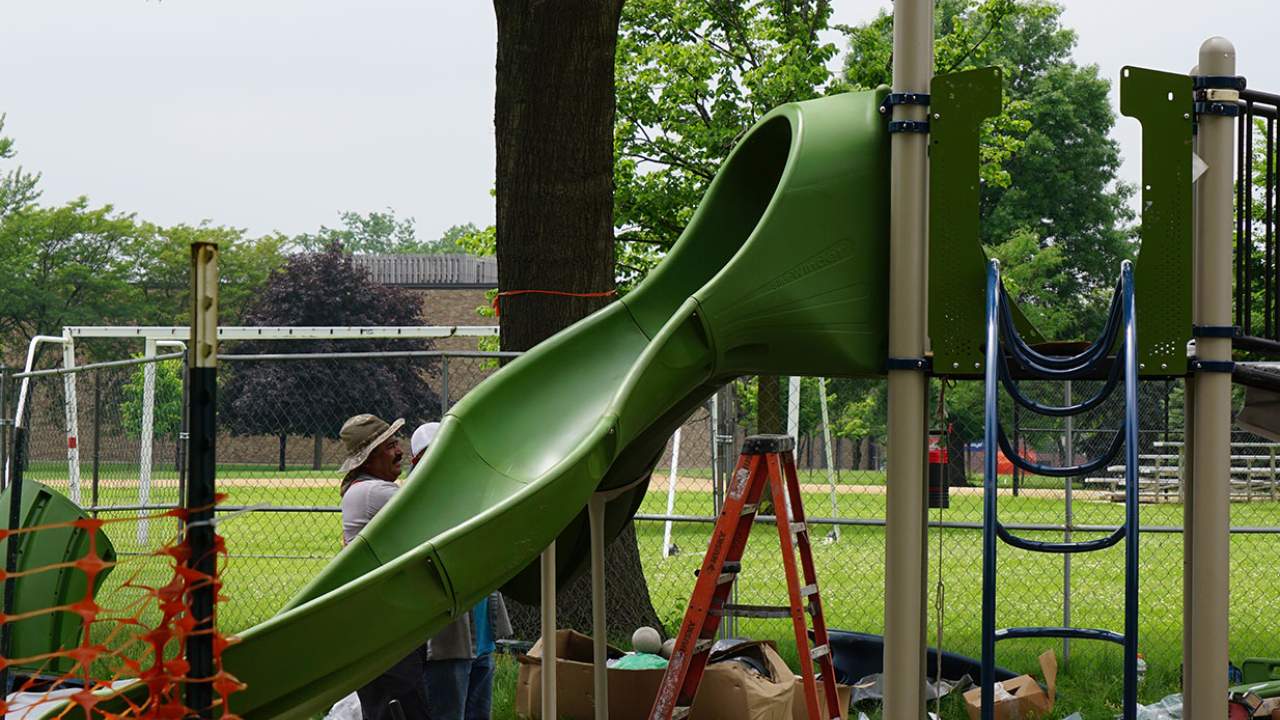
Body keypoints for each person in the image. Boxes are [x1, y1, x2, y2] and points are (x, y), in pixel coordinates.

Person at [409, 422, 512, 720]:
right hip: (448, 640)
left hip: (481, 637)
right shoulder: (418, 501)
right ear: (420, 460)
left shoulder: (470, 490)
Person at [338, 413, 429, 720]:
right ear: (369, 458)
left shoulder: (360, 490)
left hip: (375, 626)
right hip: (386, 629)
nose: (400, 451)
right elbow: (436, 506)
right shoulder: (376, 493)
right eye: (390, 446)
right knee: (406, 709)